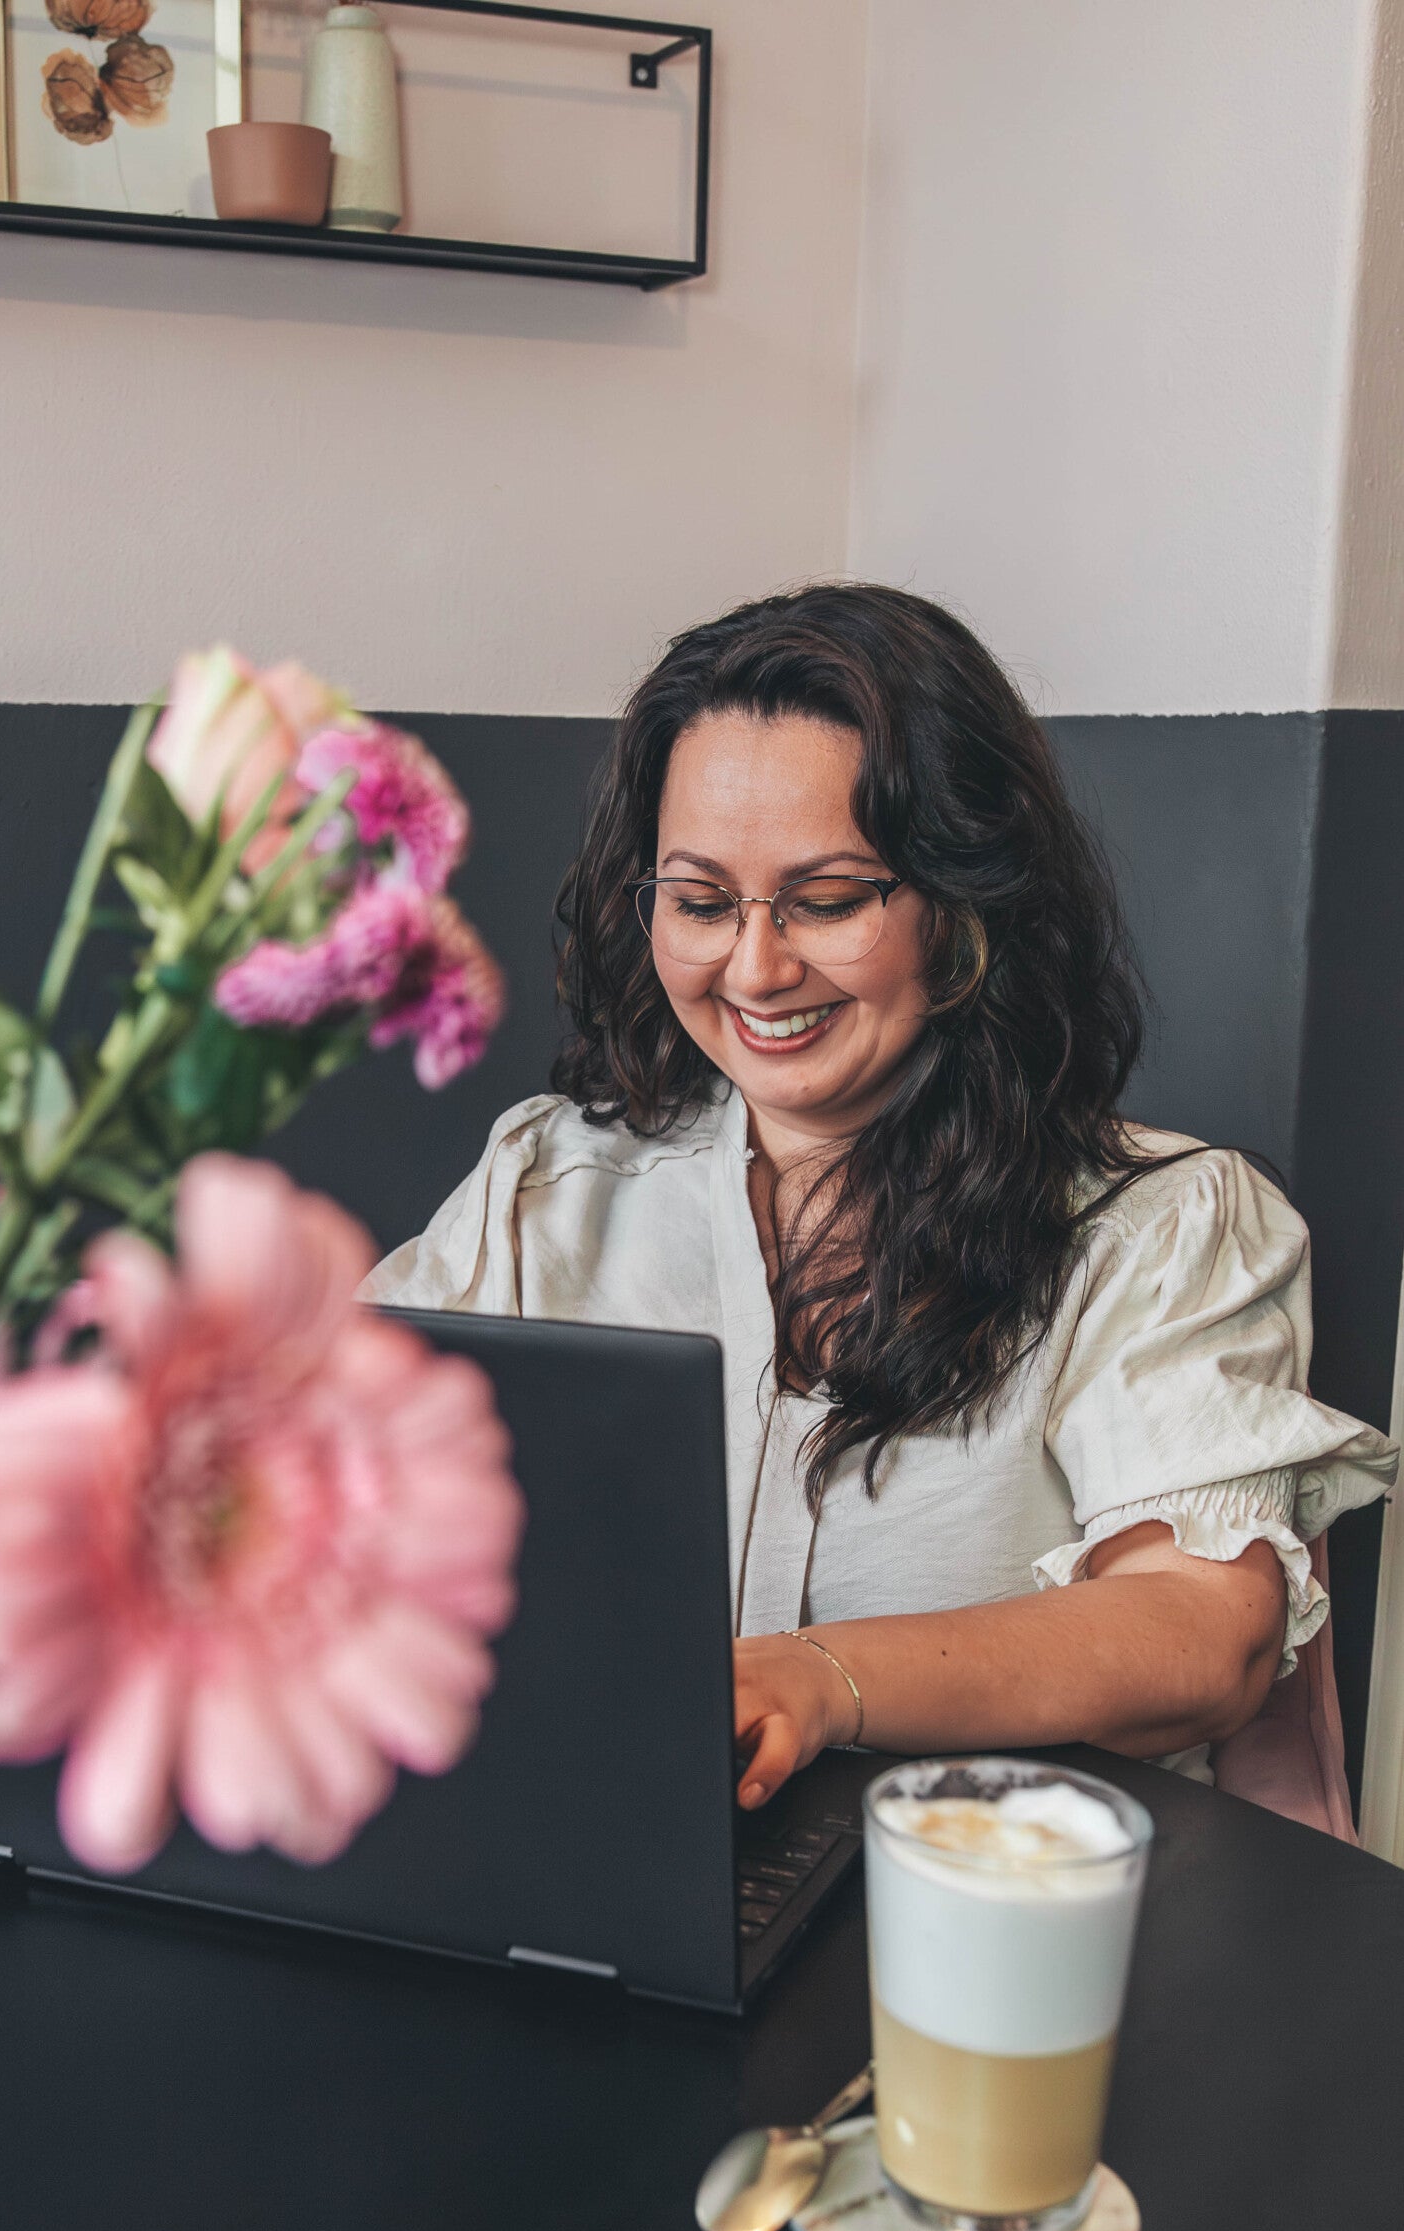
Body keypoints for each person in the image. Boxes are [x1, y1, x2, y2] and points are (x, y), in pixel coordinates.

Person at [364, 586, 1396, 1808]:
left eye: (827, 901)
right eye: (699, 903)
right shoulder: (542, 1188)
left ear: (962, 907)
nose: (754, 968)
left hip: (996, 1896)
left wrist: (820, 1678)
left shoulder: (1160, 1230)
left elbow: (1199, 1633)